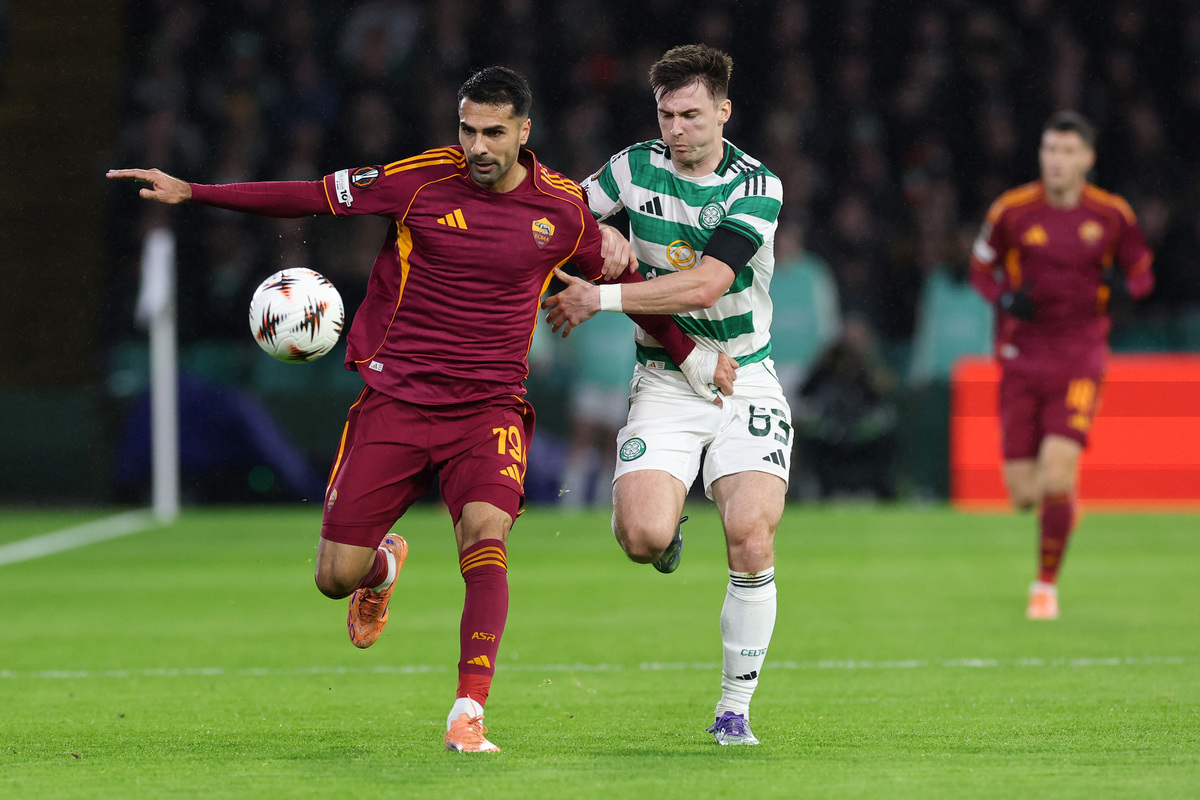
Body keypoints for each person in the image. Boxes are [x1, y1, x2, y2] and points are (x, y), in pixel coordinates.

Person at [109, 66, 735, 753]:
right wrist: (194, 191)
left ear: (524, 133)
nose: (478, 146)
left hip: (489, 409)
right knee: (332, 578)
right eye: (467, 129)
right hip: (396, 404)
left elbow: (630, 279)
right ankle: (381, 567)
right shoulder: (422, 181)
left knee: (484, 537)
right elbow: (309, 197)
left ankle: (469, 711)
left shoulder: (559, 209)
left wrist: (693, 356)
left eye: (494, 132)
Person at [542, 45, 788, 746]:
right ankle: (668, 526)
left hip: (745, 376)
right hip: (663, 379)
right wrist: (601, 237)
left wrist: (605, 293)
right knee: (641, 538)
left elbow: (710, 282)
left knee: (750, 536)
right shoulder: (633, 166)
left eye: (690, 114)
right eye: (666, 114)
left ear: (723, 112)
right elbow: (558, 218)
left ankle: (733, 711)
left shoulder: (757, 186)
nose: (676, 128)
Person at [968, 111, 1154, 621]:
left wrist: (1123, 292)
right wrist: (1005, 300)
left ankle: (1044, 586)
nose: (1057, 159)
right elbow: (980, 268)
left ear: (1087, 159)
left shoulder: (1112, 214)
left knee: (1055, 472)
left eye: (1068, 151)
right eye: (1051, 149)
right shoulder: (1012, 210)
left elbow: (1142, 273)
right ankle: (1062, 504)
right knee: (1025, 494)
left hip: (1080, 354)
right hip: (1021, 356)